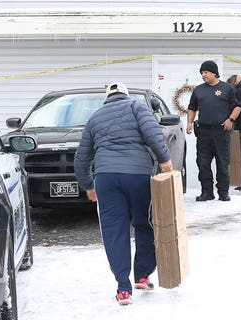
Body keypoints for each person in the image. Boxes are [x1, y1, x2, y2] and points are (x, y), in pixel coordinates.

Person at [74, 82, 173, 306]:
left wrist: (88, 185)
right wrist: (165, 159)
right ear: (126, 95)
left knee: (114, 230)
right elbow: (153, 134)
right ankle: (142, 275)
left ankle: (123, 288)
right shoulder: (137, 107)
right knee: (144, 223)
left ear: (106, 98)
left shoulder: (95, 117)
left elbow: (82, 158)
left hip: (106, 178)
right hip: (137, 175)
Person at [186, 60, 241, 201]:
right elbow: (192, 107)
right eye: (202, 73)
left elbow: (238, 106)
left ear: (214, 73)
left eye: (205, 72)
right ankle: (207, 192)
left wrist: (230, 120)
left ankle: (223, 192)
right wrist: (189, 122)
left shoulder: (227, 88)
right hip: (203, 132)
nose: (203, 75)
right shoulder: (198, 90)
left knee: (222, 163)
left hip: (221, 131)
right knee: (203, 163)